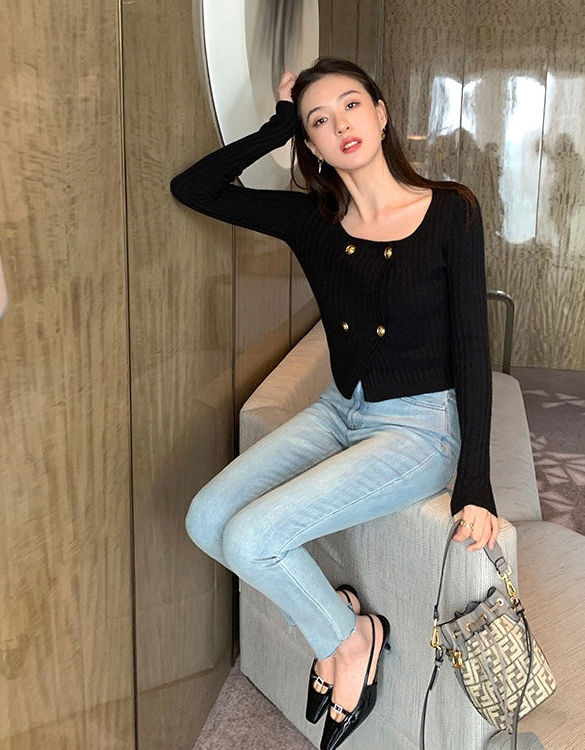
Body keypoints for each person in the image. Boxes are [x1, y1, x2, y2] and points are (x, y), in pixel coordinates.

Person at [170, 57, 499, 750]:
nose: (340, 124)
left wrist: (476, 481)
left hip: (419, 430)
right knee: (206, 519)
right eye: (319, 119)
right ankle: (351, 630)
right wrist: (278, 124)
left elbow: (473, 347)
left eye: (351, 105)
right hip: (338, 411)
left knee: (252, 539)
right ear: (311, 144)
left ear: (381, 113)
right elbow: (194, 188)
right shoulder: (313, 221)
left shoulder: (451, 211)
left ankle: (346, 644)